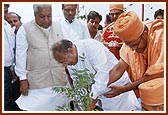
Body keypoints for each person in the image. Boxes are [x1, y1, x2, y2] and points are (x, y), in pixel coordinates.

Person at [52, 39, 141, 111]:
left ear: (70, 51)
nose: (65, 65)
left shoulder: (91, 47)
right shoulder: (70, 62)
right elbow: (77, 82)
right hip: (99, 92)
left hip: (116, 87)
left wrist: (92, 98)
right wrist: (81, 104)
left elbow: (102, 74)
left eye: (65, 61)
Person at [104, 11, 164, 111]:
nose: (134, 49)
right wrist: (99, 86)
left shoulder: (161, 36)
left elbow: (156, 75)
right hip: (147, 100)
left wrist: (124, 89)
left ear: (145, 34)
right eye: (130, 46)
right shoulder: (130, 44)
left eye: (135, 45)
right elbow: (118, 70)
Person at [15, 4, 69, 111]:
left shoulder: (59, 26)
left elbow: (67, 50)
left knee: (61, 108)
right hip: (37, 82)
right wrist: (22, 79)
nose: (46, 20)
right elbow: (20, 56)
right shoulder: (25, 29)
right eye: (42, 16)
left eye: (49, 16)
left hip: (59, 78)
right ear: (35, 15)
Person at [6, 11, 22, 103]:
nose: (13, 24)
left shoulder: (27, 35)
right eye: (9, 22)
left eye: (15, 21)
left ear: (19, 21)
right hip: (10, 75)